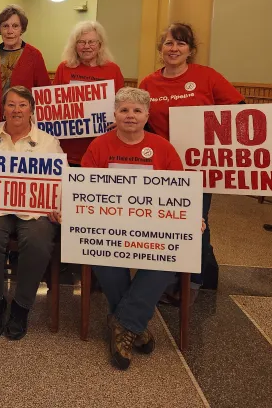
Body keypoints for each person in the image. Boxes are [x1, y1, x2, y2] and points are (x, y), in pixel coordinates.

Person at [80, 87, 204, 369]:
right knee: (101, 253)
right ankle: (134, 326)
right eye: (124, 110)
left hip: (153, 227)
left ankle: (123, 323)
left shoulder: (163, 147)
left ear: (147, 115)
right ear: (114, 114)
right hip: (109, 226)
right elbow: (83, 189)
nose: (130, 115)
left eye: (137, 111)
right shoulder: (99, 146)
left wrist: (192, 216)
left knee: (170, 255)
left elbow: (181, 191)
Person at [139, 23, 243, 295]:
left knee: (196, 220)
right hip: (163, 167)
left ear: (190, 50)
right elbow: (143, 123)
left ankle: (194, 281)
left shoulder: (207, 77)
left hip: (199, 166)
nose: (174, 49)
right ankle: (176, 274)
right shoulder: (148, 83)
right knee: (166, 219)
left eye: (181, 43)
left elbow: (241, 113)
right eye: (169, 43)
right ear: (160, 49)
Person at [0, 86, 62, 340]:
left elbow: (60, 180)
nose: (16, 110)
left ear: (31, 109)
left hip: (34, 210)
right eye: (11, 104)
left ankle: (21, 306)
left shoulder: (49, 142)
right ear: (3, 109)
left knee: (38, 241)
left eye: (22, 105)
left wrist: (58, 205)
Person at [54, 20, 125, 166]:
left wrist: (119, 121)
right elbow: (54, 103)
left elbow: (123, 104)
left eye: (91, 42)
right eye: (81, 42)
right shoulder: (64, 68)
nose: (86, 46)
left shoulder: (113, 70)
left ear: (100, 44)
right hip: (69, 147)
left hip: (102, 145)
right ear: (75, 45)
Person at [0, 5, 50, 126]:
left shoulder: (34, 55)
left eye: (15, 26)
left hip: (23, 123)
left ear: (22, 29)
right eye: (5, 26)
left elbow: (44, 93)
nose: (10, 31)